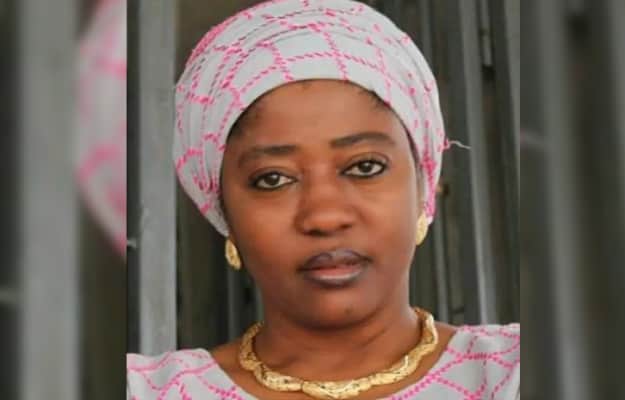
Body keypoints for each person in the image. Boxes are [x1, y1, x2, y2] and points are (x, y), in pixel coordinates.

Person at [127, 1, 519, 398]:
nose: (325, 216)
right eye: (273, 179)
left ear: (423, 186)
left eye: (365, 167)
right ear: (223, 212)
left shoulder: (512, 374)